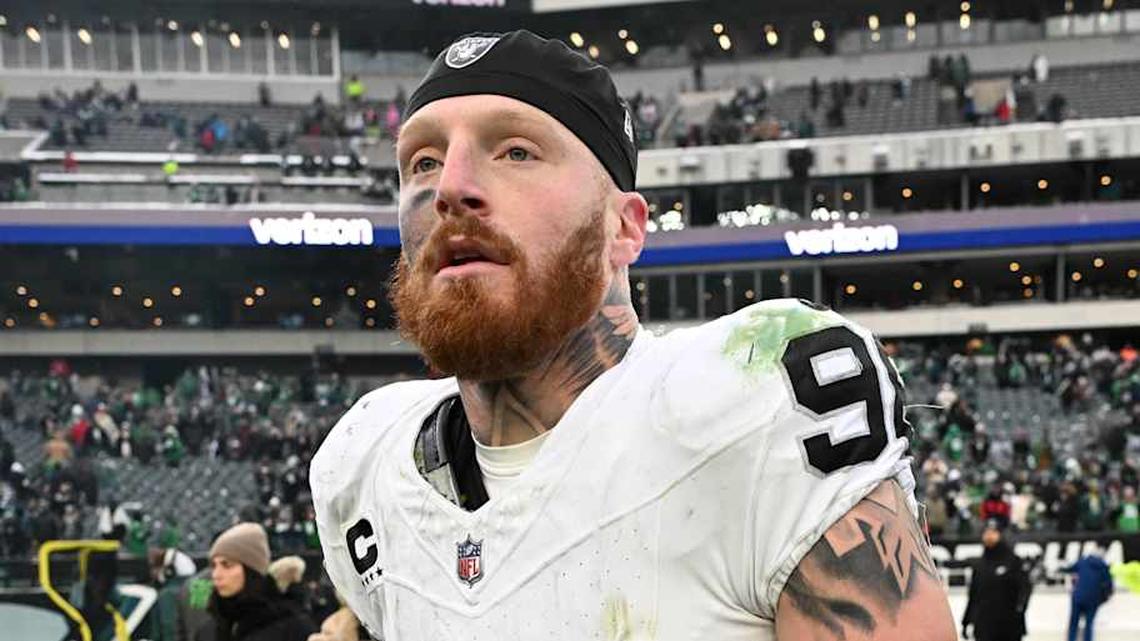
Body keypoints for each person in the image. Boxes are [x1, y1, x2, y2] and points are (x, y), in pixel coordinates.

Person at [310, 29, 956, 641]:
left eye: (514, 151)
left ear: (625, 229)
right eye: (422, 161)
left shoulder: (753, 399)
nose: (450, 187)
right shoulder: (362, 465)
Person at [206, 522, 317, 641]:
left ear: (251, 570)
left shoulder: (292, 626)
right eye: (213, 565)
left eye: (227, 565)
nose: (216, 575)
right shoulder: (216, 623)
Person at [962, 521, 1029, 641]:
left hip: (1009, 627)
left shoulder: (1013, 561)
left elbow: (1025, 589)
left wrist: (1020, 610)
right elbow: (973, 596)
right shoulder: (980, 565)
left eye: (993, 532)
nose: (989, 536)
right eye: (986, 532)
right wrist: (966, 621)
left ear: (1000, 535)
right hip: (984, 627)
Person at [1066, 545, 1114, 641]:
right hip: (1093, 599)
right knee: (1089, 624)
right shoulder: (1104, 566)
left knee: (1073, 623)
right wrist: (1103, 598)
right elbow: (1109, 586)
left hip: (1078, 597)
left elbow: (1069, 569)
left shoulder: (1083, 562)